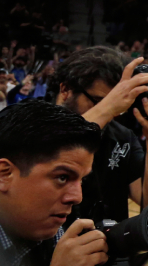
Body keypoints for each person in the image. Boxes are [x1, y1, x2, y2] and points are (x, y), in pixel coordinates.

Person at [49, 48, 148, 222]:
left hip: (106, 246)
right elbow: (48, 148)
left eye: (120, 103)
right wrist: (111, 104)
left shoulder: (122, 137)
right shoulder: (27, 119)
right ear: (66, 90)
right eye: (102, 101)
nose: (113, 111)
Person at [0, 101, 106, 266]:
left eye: (82, 180)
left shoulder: (54, 229)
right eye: (62, 177)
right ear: (4, 174)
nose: (77, 197)